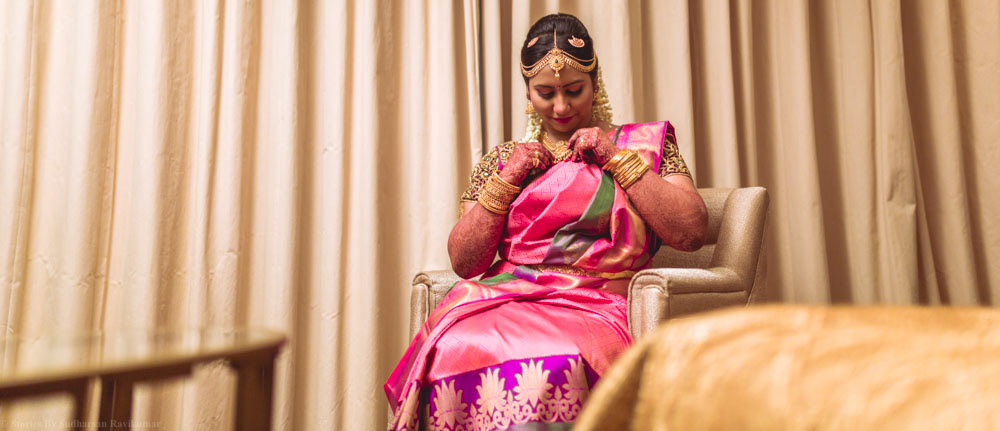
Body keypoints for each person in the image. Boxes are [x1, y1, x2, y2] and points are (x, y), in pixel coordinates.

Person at [385, 13, 708, 431]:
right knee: (451, 344)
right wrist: (509, 177)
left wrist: (614, 158)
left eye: (574, 91)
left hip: (597, 302)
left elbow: (691, 232)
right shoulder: (504, 160)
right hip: (509, 296)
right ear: (527, 92)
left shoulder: (643, 145)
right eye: (545, 93)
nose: (560, 106)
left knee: (556, 361)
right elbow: (464, 262)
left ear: (595, 82)